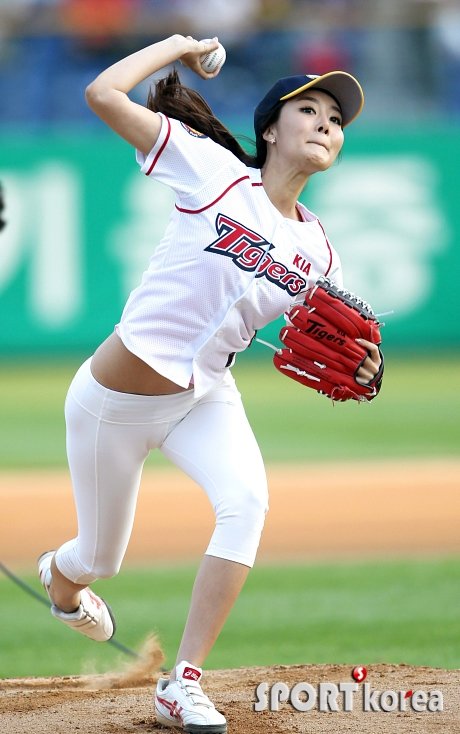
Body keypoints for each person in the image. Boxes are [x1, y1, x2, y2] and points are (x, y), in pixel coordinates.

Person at [38, 35, 382, 733]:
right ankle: (62, 584)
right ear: (269, 130)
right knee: (98, 558)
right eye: (309, 110)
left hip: (205, 398)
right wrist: (178, 46)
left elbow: (338, 337)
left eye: (336, 120)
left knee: (247, 503)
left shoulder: (319, 249)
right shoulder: (214, 172)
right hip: (113, 406)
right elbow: (101, 94)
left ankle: (183, 681)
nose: (325, 124)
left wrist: (366, 363)